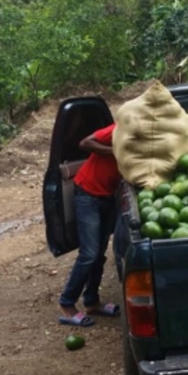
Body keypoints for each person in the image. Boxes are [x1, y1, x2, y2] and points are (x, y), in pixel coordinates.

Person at [58, 123, 121, 327]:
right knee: (89, 254)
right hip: (88, 194)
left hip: (108, 197)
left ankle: (92, 302)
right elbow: (85, 143)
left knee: (99, 254)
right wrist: (117, 151)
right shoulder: (120, 128)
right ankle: (67, 305)